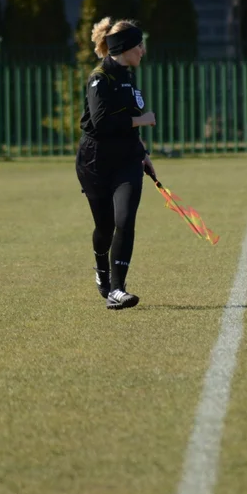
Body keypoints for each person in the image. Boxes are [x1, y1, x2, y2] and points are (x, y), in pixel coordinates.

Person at [75, 18, 157, 310]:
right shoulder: (100, 78)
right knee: (105, 227)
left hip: (126, 161)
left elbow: (125, 129)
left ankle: (117, 290)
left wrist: (141, 152)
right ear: (124, 48)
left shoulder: (127, 75)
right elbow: (101, 123)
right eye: (139, 45)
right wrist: (142, 119)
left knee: (125, 220)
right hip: (94, 162)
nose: (143, 51)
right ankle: (101, 268)